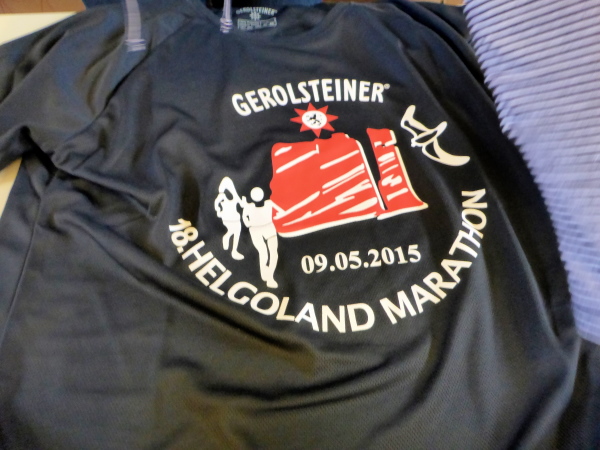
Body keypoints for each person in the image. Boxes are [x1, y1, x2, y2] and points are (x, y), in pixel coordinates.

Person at [242, 187, 279, 289]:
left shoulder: (269, 203)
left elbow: (280, 210)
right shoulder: (249, 206)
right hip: (255, 230)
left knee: (273, 253)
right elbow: (245, 218)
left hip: (268, 227)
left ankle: (270, 276)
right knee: (263, 253)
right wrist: (248, 223)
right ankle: (264, 273)